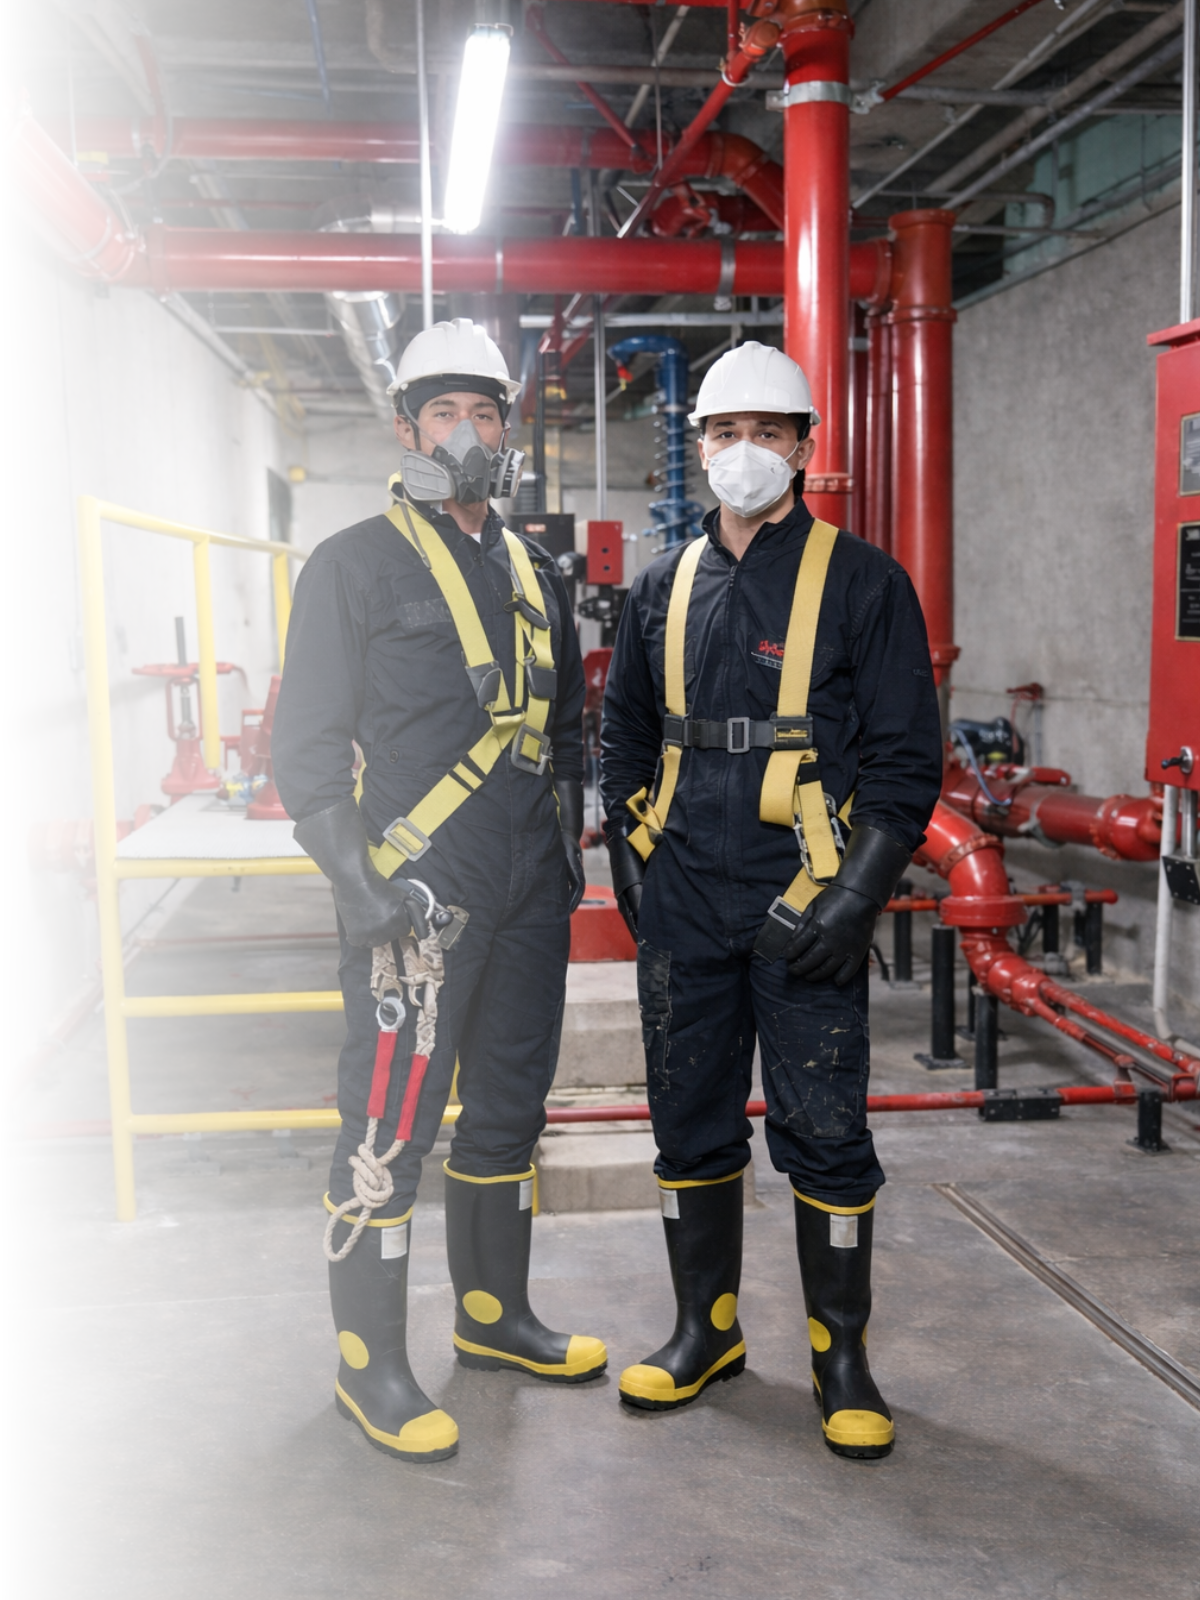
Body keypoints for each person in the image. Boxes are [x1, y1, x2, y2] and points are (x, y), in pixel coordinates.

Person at [599, 341, 943, 1459]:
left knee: (826, 1133)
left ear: (804, 445)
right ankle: (706, 1331)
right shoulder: (659, 585)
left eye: (766, 431)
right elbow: (625, 734)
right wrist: (630, 858)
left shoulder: (865, 582)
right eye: (721, 431)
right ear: (698, 446)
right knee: (687, 1121)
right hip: (687, 895)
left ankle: (841, 1357)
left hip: (809, 899)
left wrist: (862, 894)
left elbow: (903, 762)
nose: (742, 451)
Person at [273, 318, 606, 1466]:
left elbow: (563, 728)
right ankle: (370, 1366)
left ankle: (493, 1318)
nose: (466, 433)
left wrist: (568, 854)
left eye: (485, 412)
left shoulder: (533, 567)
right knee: (387, 1129)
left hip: (526, 886)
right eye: (443, 412)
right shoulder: (353, 564)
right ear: (406, 426)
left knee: (509, 1109)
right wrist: (356, 884)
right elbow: (305, 749)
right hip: (416, 895)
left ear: (508, 429)